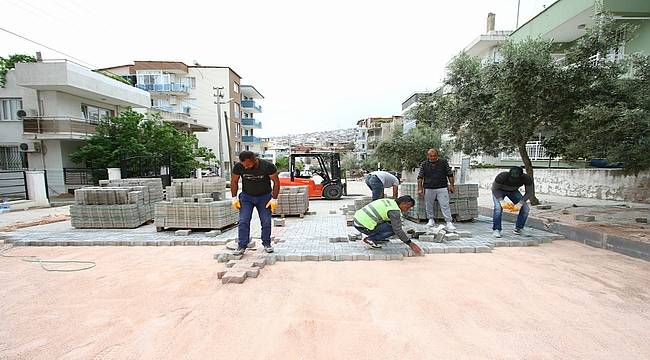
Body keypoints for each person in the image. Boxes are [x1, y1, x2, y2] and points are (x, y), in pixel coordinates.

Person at [231, 151, 280, 255]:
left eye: (248, 164)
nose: (245, 167)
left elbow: (276, 182)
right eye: (243, 164)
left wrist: (274, 198)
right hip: (246, 197)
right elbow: (234, 181)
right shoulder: (239, 167)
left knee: (266, 221)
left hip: (264, 197)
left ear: (254, 160)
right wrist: (234, 198)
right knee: (243, 220)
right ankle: (242, 245)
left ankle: (267, 243)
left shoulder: (267, 166)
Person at [353, 195, 423, 255]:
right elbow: (398, 230)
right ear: (403, 203)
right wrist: (410, 243)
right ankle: (370, 239)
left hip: (357, 220)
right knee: (393, 229)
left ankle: (376, 237)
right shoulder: (394, 211)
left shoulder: (390, 201)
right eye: (407, 207)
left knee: (391, 224)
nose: (407, 210)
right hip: (362, 225)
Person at [417, 148, 456, 232]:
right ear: (428, 156)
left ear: (437, 155)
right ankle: (430, 220)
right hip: (428, 187)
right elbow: (420, 177)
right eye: (431, 156)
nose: (433, 157)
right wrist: (420, 188)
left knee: (445, 205)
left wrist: (452, 185)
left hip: (442, 187)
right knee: (429, 205)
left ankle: (449, 222)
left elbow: (450, 174)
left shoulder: (444, 162)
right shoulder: (424, 164)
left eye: (434, 156)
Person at [491, 166, 535, 238]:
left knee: (525, 208)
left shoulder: (527, 179)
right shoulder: (502, 176)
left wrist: (520, 203)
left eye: (516, 179)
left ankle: (519, 229)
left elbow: (529, 192)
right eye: (512, 178)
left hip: (513, 191)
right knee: (498, 208)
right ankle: (496, 229)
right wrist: (501, 201)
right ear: (509, 174)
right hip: (499, 191)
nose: (513, 180)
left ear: (521, 176)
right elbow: (494, 189)